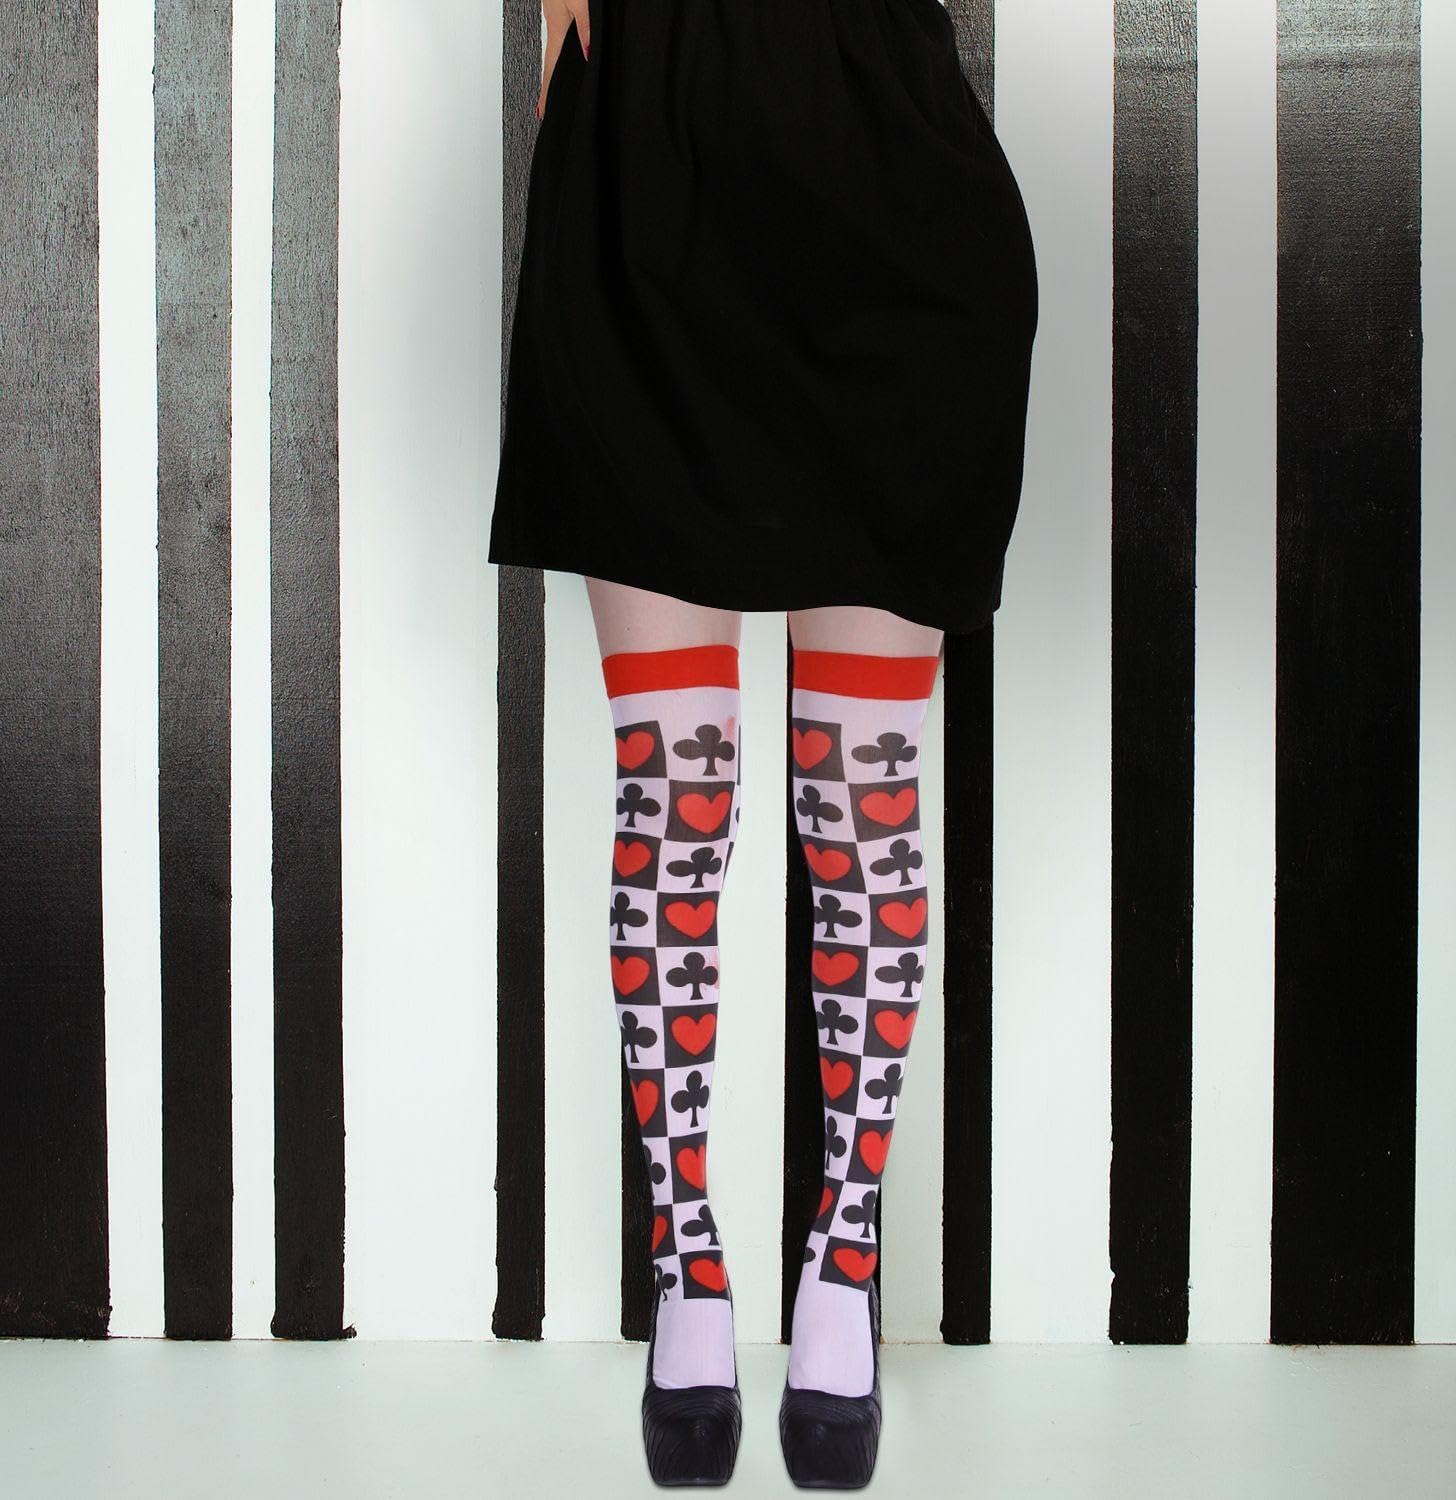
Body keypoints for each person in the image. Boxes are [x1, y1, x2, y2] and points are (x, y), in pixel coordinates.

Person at [489, 0, 1038, 1488]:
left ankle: (842, 1266)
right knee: (673, 790)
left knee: (863, 804)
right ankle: (689, 1269)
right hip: (643, 180)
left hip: (886, 189)